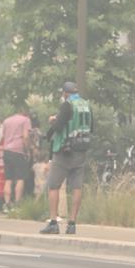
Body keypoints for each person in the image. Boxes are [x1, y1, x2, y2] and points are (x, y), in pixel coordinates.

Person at [41, 82, 92, 235]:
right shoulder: (86, 105)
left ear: (65, 93)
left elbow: (58, 126)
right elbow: (91, 127)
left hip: (64, 150)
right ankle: (72, 224)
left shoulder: (67, 105)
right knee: (77, 187)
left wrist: (53, 121)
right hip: (81, 150)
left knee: (53, 185)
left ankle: (53, 223)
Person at [0, 105, 32, 210]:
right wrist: (27, 150)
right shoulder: (25, 120)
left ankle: (7, 204)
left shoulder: (6, 121)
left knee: (8, 179)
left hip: (7, 151)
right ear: (24, 111)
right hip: (19, 151)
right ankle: (17, 204)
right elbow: (26, 136)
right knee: (20, 178)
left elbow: (3, 136)